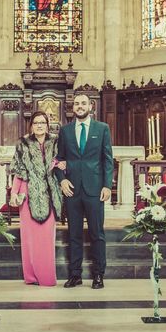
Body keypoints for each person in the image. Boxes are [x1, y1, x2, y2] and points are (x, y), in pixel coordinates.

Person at [56, 93, 114, 289]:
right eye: (76, 104)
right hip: (72, 190)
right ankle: (75, 275)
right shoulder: (65, 131)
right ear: (73, 108)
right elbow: (58, 160)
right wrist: (62, 180)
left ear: (91, 106)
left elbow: (107, 159)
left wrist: (107, 185)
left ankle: (98, 274)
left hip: (95, 189)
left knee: (97, 233)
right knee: (74, 233)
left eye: (83, 103)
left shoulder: (102, 128)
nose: (80, 106)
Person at [10, 111, 64, 286]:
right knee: (29, 238)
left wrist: (61, 164)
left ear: (47, 125)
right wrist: (14, 193)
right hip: (27, 193)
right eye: (36, 123)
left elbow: (63, 162)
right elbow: (19, 171)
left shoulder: (56, 142)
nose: (39, 125)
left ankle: (47, 277)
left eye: (42, 122)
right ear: (31, 125)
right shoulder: (23, 143)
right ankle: (31, 276)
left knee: (47, 238)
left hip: (49, 192)